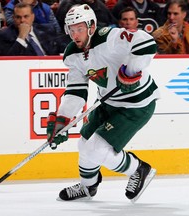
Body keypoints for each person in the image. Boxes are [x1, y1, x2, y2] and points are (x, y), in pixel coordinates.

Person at [46, 4, 159, 202]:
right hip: (108, 102)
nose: (75, 35)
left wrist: (131, 71)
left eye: (79, 28)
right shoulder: (72, 55)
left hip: (136, 104)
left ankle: (138, 169)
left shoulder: (110, 37)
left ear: (91, 26)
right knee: (84, 144)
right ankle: (87, 187)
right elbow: (76, 92)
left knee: (96, 149)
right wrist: (62, 120)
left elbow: (147, 43)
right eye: (71, 30)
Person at [0, 2, 69, 55]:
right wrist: (21, 37)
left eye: (26, 16)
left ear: (33, 17)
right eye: (18, 17)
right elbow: (8, 61)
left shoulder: (46, 30)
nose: (22, 20)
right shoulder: (3, 35)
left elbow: (62, 49)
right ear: (13, 18)